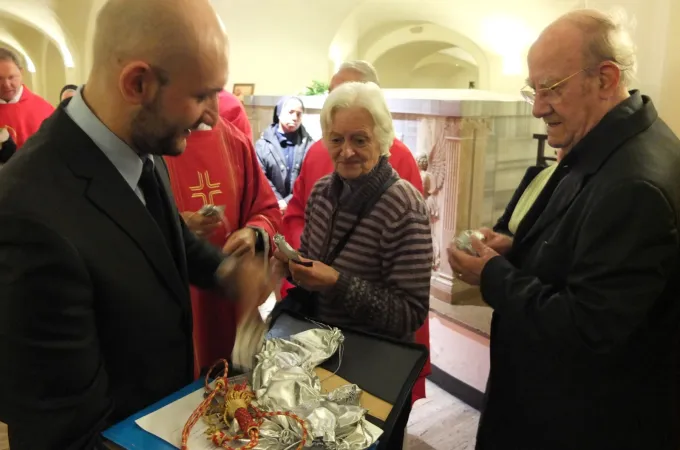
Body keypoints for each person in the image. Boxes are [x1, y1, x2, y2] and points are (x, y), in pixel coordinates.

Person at [0, 0, 271, 448]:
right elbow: (69, 435)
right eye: (201, 95)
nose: (212, 114)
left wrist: (228, 272)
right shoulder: (28, 218)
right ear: (138, 83)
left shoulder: (142, 147)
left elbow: (167, 239)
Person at [448, 9, 680, 450]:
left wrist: (493, 274)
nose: (537, 108)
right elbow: (590, 255)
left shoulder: (635, 183)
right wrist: (517, 248)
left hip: (580, 424)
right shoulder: (602, 144)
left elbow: (587, 328)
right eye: (532, 91)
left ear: (605, 79)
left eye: (550, 89)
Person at [272, 81, 432, 450]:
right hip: (323, 363)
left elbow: (409, 315)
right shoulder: (323, 192)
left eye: (359, 140)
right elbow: (314, 274)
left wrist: (336, 283)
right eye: (336, 139)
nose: (347, 152)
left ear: (383, 139)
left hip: (375, 372)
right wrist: (291, 266)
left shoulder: (403, 206)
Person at [165, 95, 281, 377]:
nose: (212, 112)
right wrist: (177, 225)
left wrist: (254, 233)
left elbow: (267, 209)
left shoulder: (235, 141)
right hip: (181, 290)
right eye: (201, 96)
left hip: (233, 285)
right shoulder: (158, 144)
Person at [255, 96, 314, 211]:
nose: (295, 117)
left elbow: (308, 178)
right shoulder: (262, 145)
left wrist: (288, 202)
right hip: (269, 207)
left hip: (298, 208)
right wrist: (277, 200)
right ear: (279, 113)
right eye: (291, 112)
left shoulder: (310, 145)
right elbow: (260, 177)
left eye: (299, 114)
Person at [0, 48, 54, 148]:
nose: (7, 85)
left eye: (11, 77)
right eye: (0, 79)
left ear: (21, 73)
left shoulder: (45, 109)